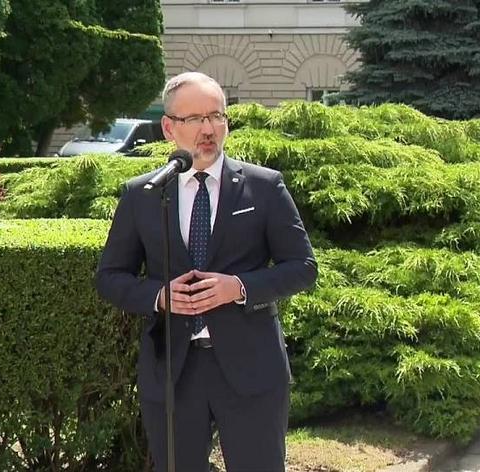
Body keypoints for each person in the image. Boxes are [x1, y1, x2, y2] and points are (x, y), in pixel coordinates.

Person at [96, 71, 317, 471]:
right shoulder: (143, 195)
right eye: (194, 119)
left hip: (252, 368)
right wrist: (160, 297)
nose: (208, 129)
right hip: (174, 372)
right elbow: (110, 277)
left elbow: (302, 267)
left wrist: (240, 287)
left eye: (216, 116)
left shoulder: (264, 187)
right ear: (168, 128)